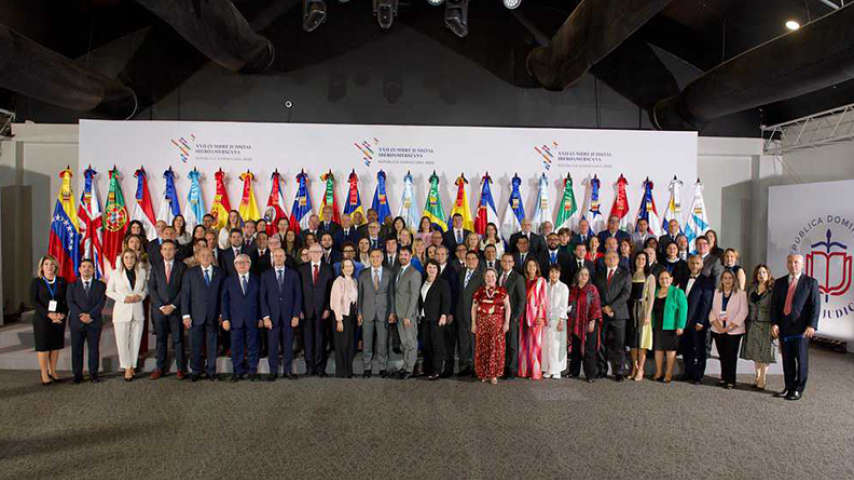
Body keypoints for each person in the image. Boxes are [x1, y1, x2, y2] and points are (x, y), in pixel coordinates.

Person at [770, 254, 820, 401]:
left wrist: (812, 325)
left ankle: (798, 389)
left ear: (802, 265)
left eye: (796, 262)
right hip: (784, 328)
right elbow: (774, 306)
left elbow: (815, 306)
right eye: (790, 262)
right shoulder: (779, 283)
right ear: (787, 264)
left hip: (802, 330)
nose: (793, 265)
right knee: (787, 360)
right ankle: (789, 386)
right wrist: (774, 323)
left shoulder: (810, 283)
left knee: (801, 360)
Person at [181, 248, 224, 382]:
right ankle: (196, 370)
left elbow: (223, 296)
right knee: (195, 344)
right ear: (198, 257)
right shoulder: (190, 273)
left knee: (212, 345)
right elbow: (185, 295)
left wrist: (222, 313)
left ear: (212, 257)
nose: (206, 257)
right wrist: (185, 315)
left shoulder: (220, 273)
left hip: (214, 314)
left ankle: (211, 370)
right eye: (203, 255)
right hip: (195, 315)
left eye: (208, 255)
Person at [107, 249, 149, 382]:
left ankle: (132, 365)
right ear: (122, 259)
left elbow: (145, 290)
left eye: (132, 257)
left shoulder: (141, 272)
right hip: (121, 312)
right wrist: (124, 298)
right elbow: (109, 292)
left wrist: (140, 296)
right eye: (126, 258)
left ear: (135, 259)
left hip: (137, 311)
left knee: (135, 341)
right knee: (123, 341)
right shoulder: (115, 274)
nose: (129, 260)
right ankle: (126, 367)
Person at [148, 240, 188, 380]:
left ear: (176, 251)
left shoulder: (182, 267)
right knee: (161, 339)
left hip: (175, 309)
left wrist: (172, 306)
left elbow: (184, 289)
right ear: (161, 251)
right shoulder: (156, 267)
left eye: (171, 249)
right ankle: (160, 368)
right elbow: (151, 288)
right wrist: (161, 306)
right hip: (159, 310)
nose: (168, 251)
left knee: (178, 339)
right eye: (165, 249)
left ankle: (181, 369)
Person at [260, 249, 302, 381]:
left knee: (288, 345)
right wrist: (265, 317)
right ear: (273, 258)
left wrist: (296, 315)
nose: (278, 258)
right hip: (272, 317)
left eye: (280, 256)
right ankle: (273, 371)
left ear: (285, 258)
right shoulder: (265, 275)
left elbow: (298, 296)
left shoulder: (293, 274)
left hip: (289, 317)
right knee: (272, 345)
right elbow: (263, 298)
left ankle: (287, 371)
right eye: (275, 256)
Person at [220, 254, 261, 382]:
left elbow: (261, 301)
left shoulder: (257, 279)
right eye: (239, 262)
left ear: (249, 264)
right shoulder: (228, 281)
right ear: (235, 265)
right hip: (235, 320)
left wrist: (261, 318)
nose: (242, 264)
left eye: (245, 262)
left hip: (253, 319)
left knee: (253, 346)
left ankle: (252, 371)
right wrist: (225, 318)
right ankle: (238, 371)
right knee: (236, 347)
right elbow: (224, 301)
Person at [30, 255, 69, 385]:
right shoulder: (37, 282)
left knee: (55, 346)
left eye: (52, 264)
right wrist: (48, 314)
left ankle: (53, 371)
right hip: (42, 319)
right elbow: (33, 302)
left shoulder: (62, 281)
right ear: (41, 267)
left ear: (56, 267)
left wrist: (62, 314)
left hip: (58, 318)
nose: (49, 267)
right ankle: (44, 372)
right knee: (44, 347)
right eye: (46, 264)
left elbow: (66, 301)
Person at [66, 259, 106, 384]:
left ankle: (93, 374)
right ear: (79, 269)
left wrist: (90, 315)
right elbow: (70, 302)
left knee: (94, 349)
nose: (86, 269)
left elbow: (101, 303)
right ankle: (77, 375)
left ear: (93, 270)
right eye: (84, 266)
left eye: (89, 267)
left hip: (94, 322)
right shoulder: (72, 285)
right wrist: (81, 315)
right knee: (76, 350)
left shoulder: (100, 285)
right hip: (77, 322)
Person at [593, 251, 632, 382]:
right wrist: (604, 307)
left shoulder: (625, 274)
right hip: (602, 313)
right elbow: (595, 293)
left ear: (618, 259)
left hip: (619, 314)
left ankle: (619, 371)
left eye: (614, 257)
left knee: (619, 344)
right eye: (608, 258)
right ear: (604, 260)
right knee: (601, 343)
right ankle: (602, 370)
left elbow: (626, 294)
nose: (611, 260)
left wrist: (612, 307)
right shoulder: (598, 274)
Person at [678, 255, 715, 384]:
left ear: (702, 265)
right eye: (692, 263)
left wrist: (701, 321)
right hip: (684, 321)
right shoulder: (683, 280)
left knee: (699, 350)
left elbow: (706, 303)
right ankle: (688, 372)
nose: (694, 266)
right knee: (686, 348)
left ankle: (698, 375)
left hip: (698, 322)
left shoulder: (707, 281)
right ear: (689, 264)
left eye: (697, 263)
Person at [709, 269, 748, 389]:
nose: (727, 280)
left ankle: (731, 380)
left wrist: (730, 327)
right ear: (721, 280)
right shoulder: (716, 292)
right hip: (718, 329)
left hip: (734, 330)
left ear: (734, 280)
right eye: (725, 278)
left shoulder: (741, 294)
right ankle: (724, 378)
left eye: (730, 278)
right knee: (722, 355)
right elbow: (711, 310)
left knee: (731, 356)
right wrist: (719, 326)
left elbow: (743, 312)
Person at [358, 249, 394, 378]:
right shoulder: (362, 274)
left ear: (382, 258)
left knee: (382, 342)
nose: (375, 259)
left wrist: (392, 312)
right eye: (372, 256)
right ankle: (367, 368)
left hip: (383, 312)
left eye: (378, 256)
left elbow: (391, 295)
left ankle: (383, 367)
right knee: (367, 342)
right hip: (367, 312)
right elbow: (360, 295)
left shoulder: (389, 274)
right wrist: (359, 313)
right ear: (369, 258)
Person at [299, 244, 334, 377]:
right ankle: (309, 368)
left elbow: (331, 291)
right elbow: (298, 292)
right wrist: (299, 309)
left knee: (321, 341)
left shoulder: (328, 269)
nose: (315, 254)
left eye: (318, 251)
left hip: (322, 311)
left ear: (322, 253)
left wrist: (328, 308)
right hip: (306, 310)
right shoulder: (301, 269)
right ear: (308, 253)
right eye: (312, 251)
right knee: (307, 341)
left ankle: (320, 368)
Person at [471, 268, 511, 385]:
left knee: (496, 349)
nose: (490, 278)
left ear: (496, 277)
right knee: (483, 348)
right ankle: (484, 373)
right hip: (482, 324)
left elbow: (508, 307)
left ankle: (494, 375)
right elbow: (473, 308)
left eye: (492, 276)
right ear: (484, 278)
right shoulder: (479, 292)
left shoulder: (502, 291)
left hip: (497, 325)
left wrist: (507, 322)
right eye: (487, 276)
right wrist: (473, 323)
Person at [740, 264, 776, 390]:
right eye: (759, 272)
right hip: (752, 323)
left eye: (764, 272)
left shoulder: (773, 289)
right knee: (755, 352)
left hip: (766, 324)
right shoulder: (751, 288)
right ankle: (757, 376)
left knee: (764, 352)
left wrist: (775, 325)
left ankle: (762, 379)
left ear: (768, 274)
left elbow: (776, 308)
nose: (761, 275)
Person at [650, 270, 687, 383]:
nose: (664, 280)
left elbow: (683, 309)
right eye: (661, 278)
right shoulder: (655, 291)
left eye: (667, 278)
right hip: (657, 325)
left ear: (671, 279)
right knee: (658, 349)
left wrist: (680, 326)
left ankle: (668, 373)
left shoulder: (677, 292)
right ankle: (658, 372)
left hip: (671, 326)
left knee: (670, 350)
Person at [567, 267, 602, 382]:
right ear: (577, 275)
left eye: (586, 275)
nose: (583, 277)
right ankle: (573, 372)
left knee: (589, 350)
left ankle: (591, 374)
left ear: (589, 277)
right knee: (575, 349)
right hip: (575, 324)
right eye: (581, 274)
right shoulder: (573, 289)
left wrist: (592, 321)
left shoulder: (592, 289)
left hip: (589, 323)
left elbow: (596, 306)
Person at [419, 260, 452, 380]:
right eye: (429, 267)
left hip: (436, 318)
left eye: (434, 267)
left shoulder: (442, 283)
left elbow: (447, 300)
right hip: (424, 317)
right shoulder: (423, 282)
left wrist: (444, 314)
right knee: (426, 344)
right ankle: (427, 369)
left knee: (436, 345)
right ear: (426, 269)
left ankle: (437, 370)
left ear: (438, 270)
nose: (432, 269)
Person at [393, 246, 422, 379]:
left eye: (406, 254)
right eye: (401, 254)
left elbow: (415, 296)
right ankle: (405, 367)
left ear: (411, 256)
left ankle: (410, 369)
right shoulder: (400, 270)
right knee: (404, 343)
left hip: (408, 315)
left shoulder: (414, 272)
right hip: (399, 313)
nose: (403, 256)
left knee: (410, 343)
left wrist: (408, 316)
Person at [454, 250, 483, 377]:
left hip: (475, 315)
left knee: (475, 342)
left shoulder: (482, 275)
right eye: (468, 259)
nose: (471, 261)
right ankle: (464, 367)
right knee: (463, 342)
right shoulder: (461, 272)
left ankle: (476, 368)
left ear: (477, 261)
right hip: (461, 314)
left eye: (473, 259)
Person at [498, 253, 526, 379]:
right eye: (504, 261)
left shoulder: (518, 278)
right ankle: (502, 368)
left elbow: (522, 300)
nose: (507, 263)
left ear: (513, 263)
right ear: (501, 262)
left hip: (512, 317)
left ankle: (511, 370)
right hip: (498, 316)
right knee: (501, 343)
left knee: (512, 344)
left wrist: (515, 317)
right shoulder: (498, 275)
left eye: (509, 261)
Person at [519, 258, 548, 380]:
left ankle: (535, 373)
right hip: (523, 316)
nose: (531, 268)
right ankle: (523, 371)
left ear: (537, 268)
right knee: (523, 344)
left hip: (535, 317)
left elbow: (543, 300)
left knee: (535, 345)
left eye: (533, 265)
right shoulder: (523, 281)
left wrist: (540, 316)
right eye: (529, 265)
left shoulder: (541, 281)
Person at [628, 252, 654, 381]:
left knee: (642, 341)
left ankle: (641, 369)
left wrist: (648, 315)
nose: (640, 261)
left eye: (643, 259)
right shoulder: (630, 274)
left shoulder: (650, 276)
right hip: (631, 309)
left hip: (643, 309)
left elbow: (652, 297)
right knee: (633, 341)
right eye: (638, 258)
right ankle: (634, 366)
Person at [330, 258, 359, 378]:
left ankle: (349, 370)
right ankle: (342, 371)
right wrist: (339, 320)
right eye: (346, 266)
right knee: (341, 344)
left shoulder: (354, 281)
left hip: (351, 317)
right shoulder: (339, 281)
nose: (348, 268)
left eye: (350, 266)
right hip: (342, 317)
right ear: (342, 269)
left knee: (350, 344)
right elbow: (335, 302)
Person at [542, 265, 569, 379]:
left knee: (557, 346)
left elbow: (564, 305)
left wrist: (561, 321)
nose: (554, 274)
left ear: (560, 274)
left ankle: (557, 370)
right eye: (552, 272)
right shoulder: (545, 286)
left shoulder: (563, 287)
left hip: (558, 319)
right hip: (546, 319)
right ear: (549, 273)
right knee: (546, 345)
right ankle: (548, 368)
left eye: (557, 272)